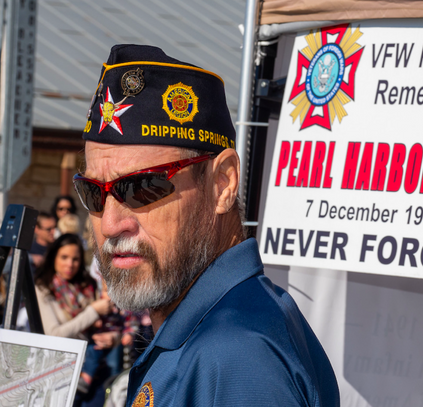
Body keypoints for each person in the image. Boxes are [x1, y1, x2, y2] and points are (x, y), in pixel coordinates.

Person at [75, 44, 339, 406]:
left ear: (222, 184)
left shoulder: (237, 356)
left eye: (141, 187)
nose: (110, 223)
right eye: (92, 192)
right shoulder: (217, 329)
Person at [34, 234, 115, 392]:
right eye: (64, 257)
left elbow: (108, 324)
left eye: (75, 259)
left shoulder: (87, 285)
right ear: (53, 257)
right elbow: (54, 334)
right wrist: (93, 311)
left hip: (95, 370)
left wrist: (114, 338)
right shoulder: (43, 288)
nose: (69, 264)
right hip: (61, 373)